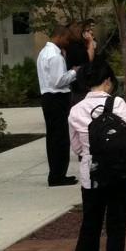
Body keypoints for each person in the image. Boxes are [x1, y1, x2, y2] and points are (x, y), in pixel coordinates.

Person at [66, 58, 126, 251]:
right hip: (119, 174)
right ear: (107, 81)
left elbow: (76, 146)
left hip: (92, 176)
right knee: (116, 230)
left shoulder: (75, 110)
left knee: (90, 228)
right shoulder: (116, 103)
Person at [37, 25, 83, 186]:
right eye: (66, 38)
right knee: (60, 138)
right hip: (57, 98)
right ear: (60, 36)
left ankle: (56, 173)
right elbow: (58, 81)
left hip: (48, 98)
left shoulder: (44, 52)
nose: (68, 41)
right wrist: (74, 72)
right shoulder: (55, 56)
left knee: (54, 138)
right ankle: (57, 176)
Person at [66, 19, 97, 105]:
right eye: (86, 30)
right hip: (79, 86)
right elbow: (89, 58)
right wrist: (90, 41)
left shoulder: (79, 44)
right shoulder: (74, 46)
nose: (78, 30)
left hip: (84, 84)